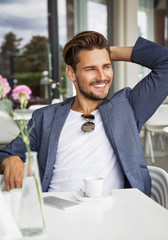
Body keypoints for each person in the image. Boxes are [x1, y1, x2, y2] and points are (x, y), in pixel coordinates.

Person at [0, 31, 168, 196]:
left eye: (106, 66)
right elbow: (5, 154)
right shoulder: (45, 117)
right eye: (91, 69)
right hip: (57, 213)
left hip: (115, 213)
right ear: (72, 73)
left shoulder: (128, 107)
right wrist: (10, 160)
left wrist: (109, 52)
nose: (102, 76)